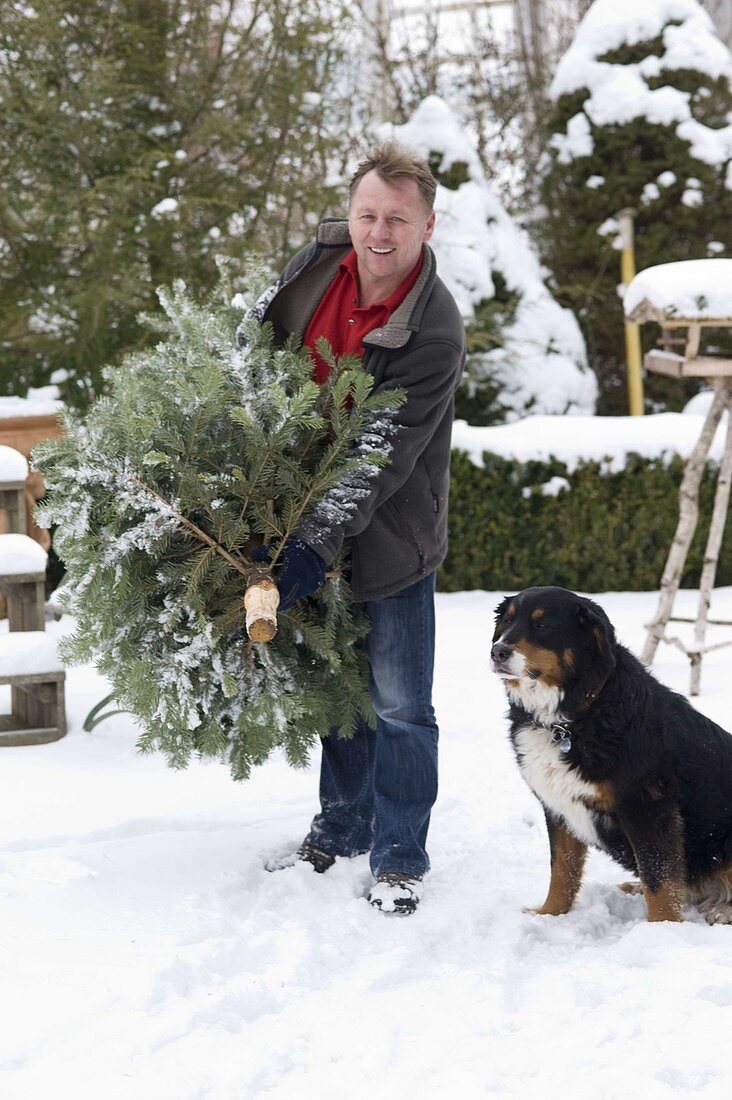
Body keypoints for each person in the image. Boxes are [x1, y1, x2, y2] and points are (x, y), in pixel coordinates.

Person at [249, 142, 465, 915]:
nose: (380, 231)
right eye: (369, 213)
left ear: (427, 226)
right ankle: (340, 829)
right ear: (352, 212)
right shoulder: (316, 265)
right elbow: (257, 356)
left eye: (397, 219)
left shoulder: (433, 330)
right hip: (296, 507)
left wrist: (312, 540)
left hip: (392, 533)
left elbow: (379, 456)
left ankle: (401, 857)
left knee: (400, 702)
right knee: (341, 690)